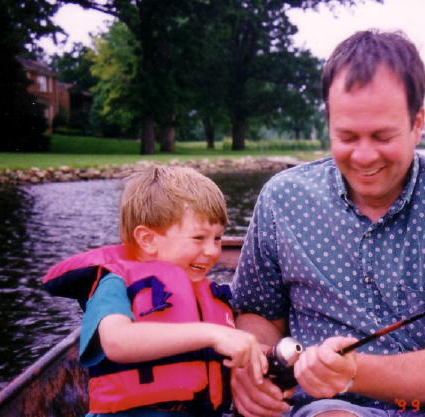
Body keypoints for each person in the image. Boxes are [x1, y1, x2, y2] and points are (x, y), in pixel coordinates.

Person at [230, 30, 425, 417]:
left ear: (417, 123)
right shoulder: (282, 198)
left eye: (383, 136)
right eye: (347, 136)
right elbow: (258, 313)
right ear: (328, 123)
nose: (364, 156)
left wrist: (353, 371)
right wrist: (250, 369)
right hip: (327, 405)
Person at [43, 165, 267, 417]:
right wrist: (212, 334)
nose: (212, 251)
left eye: (217, 238)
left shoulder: (205, 295)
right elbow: (117, 341)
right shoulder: (114, 283)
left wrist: (268, 355)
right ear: (147, 239)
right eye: (198, 238)